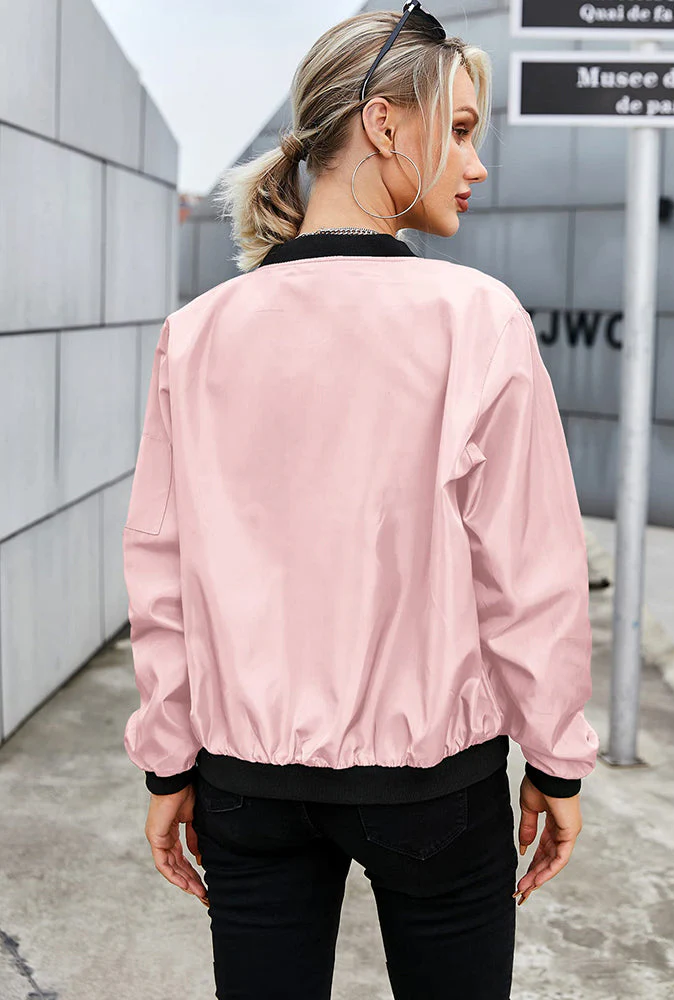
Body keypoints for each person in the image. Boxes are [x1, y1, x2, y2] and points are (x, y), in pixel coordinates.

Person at [121, 3, 599, 998]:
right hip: (435, 789)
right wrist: (555, 761)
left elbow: (161, 568)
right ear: (384, 125)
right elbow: (531, 574)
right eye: (460, 130)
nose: (475, 165)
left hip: (244, 784)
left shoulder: (198, 331)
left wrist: (168, 762)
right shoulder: (474, 321)